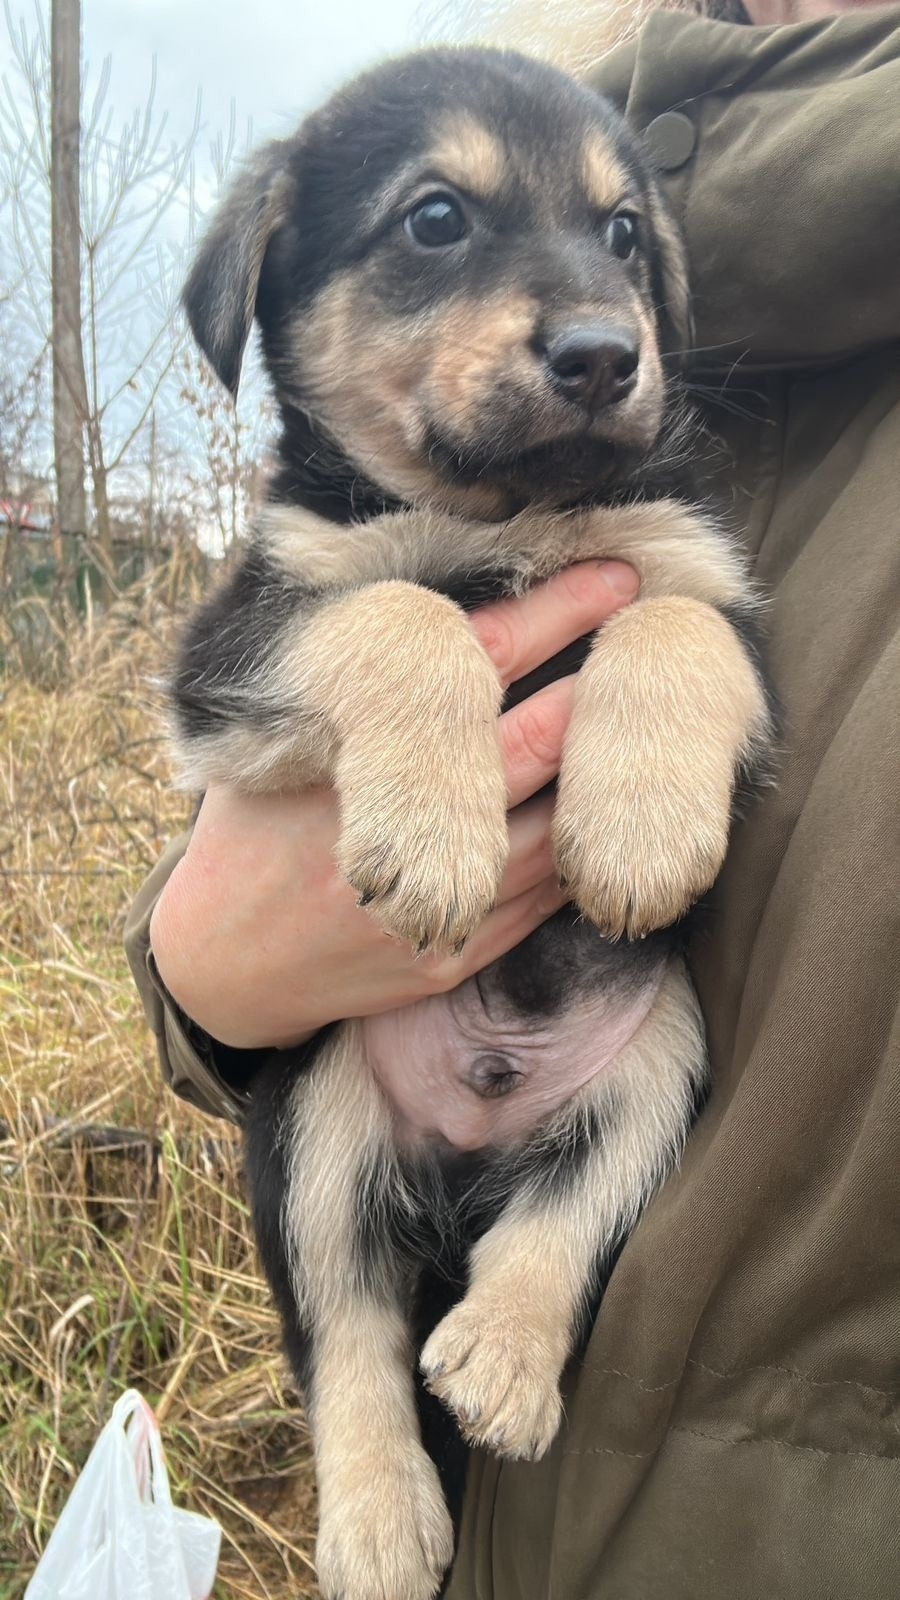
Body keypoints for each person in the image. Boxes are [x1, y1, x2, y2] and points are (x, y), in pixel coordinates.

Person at [125, 0, 900, 1592]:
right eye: (436, 224)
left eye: (618, 242)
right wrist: (201, 974)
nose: (592, 319)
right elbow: (223, 714)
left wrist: (674, 662)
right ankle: (359, 1407)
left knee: (667, 1039)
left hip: (618, 1128)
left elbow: (718, 664)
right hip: (380, 1076)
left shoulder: (659, 527)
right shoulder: (330, 539)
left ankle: (537, 1278)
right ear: (268, 289)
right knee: (322, 1111)